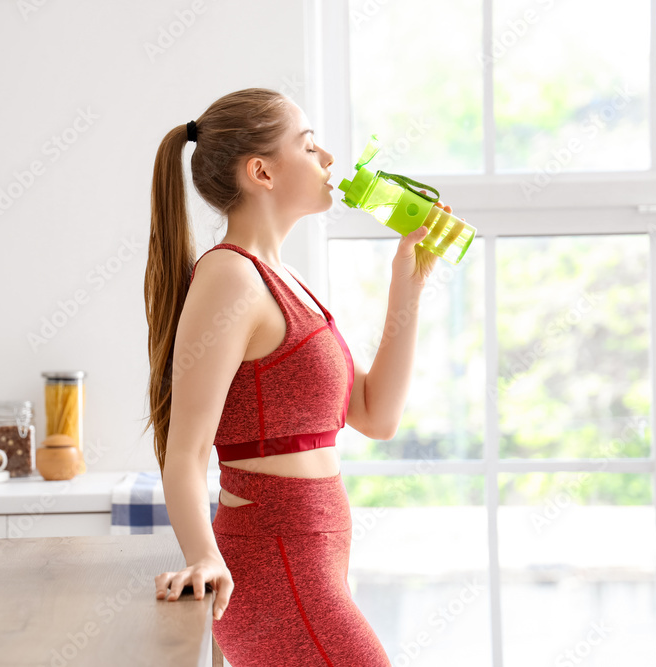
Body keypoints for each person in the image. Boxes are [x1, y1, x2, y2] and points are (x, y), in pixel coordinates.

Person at [144, 87, 452, 665]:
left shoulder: (284, 278)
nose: (330, 160)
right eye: (309, 147)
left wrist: (407, 280)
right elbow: (184, 454)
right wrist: (204, 556)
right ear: (261, 171)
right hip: (272, 566)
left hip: (313, 563)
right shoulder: (231, 277)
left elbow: (376, 414)